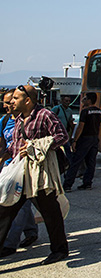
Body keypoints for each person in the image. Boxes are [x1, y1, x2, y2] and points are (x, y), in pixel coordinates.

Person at [0, 84, 69, 265]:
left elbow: (62, 136)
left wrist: (35, 146)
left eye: (15, 98)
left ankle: (59, 250)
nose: (11, 102)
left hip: (39, 174)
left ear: (28, 100)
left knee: (50, 212)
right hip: (19, 173)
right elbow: (15, 144)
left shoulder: (44, 115)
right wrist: (5, 156)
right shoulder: (18, 119)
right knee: (4, 210)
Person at [0, 91, 38, 258]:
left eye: (11, 101)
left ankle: (10, 243)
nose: (8, 105)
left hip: (25, 168)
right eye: (6, 102)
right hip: (9, 167)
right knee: (19, 203)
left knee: (18, 204)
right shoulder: (5, 121)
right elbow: (2, 144)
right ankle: (31, 230)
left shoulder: (29, 120)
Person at [63, 92, 101, 191]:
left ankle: (67, 184)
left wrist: (75, 140)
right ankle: (87, 183)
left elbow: (80, 127)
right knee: (91, 162)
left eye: (85, 99)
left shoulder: (85, 112)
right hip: (94, 138)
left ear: (89, 100)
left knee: (76, 161)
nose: (82, 101)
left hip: (85, 139)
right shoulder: (100, 112)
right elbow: (100, 127)